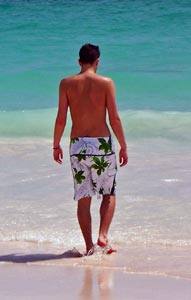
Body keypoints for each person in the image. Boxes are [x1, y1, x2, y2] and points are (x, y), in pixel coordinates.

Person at [53, 44, 128, 255]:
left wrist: (56, 144)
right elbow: (114, 119)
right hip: (102, 144)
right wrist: (123, 146)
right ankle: (103, 236)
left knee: (83, 198)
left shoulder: (66, 84)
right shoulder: (106, 83)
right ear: (97, 62)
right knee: (108, 192)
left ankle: (89, 247)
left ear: (79, 61)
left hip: (77, 145)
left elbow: (61, 119)